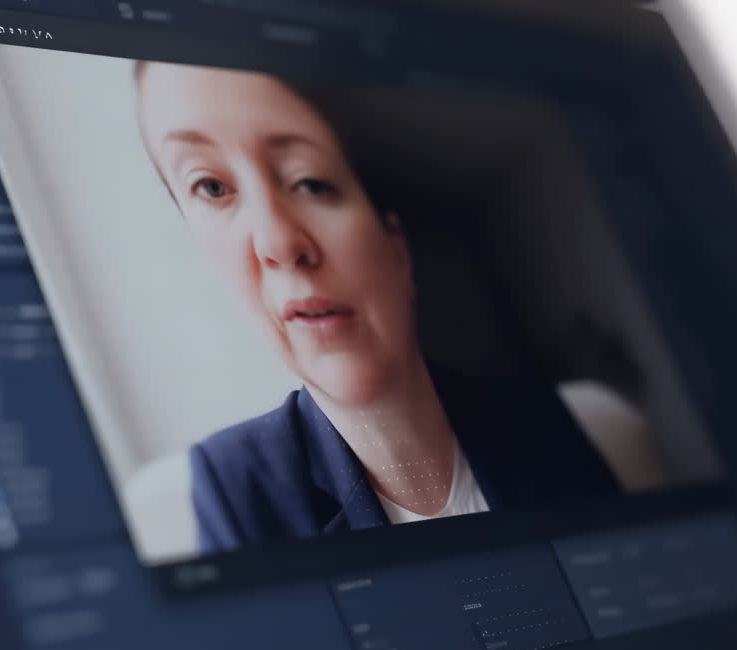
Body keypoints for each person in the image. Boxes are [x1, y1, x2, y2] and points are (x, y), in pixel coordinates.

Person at [134, 61, 619, 553]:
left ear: (396, 249)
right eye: (210, 186)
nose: (278, 243)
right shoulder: (235, 485)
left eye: (310, 181)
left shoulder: (537, 418)